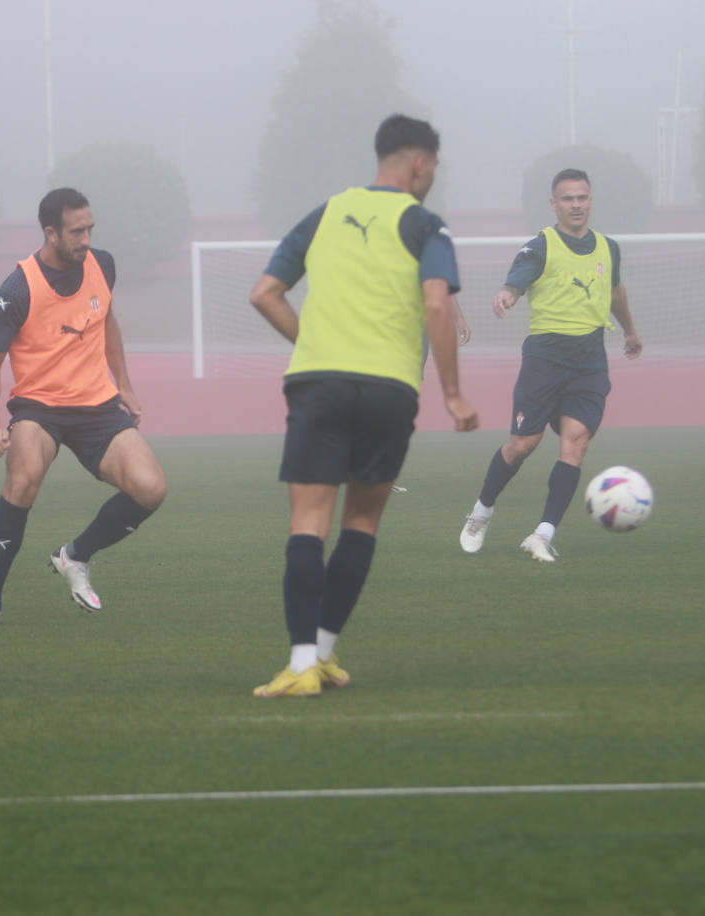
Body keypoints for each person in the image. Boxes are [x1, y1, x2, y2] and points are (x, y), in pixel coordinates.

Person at [247, 114, 478, 698]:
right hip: (389, 389)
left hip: (317, 383)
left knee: (308, 523)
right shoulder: (426, 225)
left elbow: (264, 294)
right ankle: (324, 653)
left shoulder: (324, 213)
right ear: (420, 163)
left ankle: (301, 664)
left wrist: (313, 345)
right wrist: (452, 393)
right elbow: (436, 306)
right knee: (362, 520)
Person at [0, 187, 167, 630]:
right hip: (39, 406)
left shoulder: (102, 265)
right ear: (50, 233)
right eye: (77, 231)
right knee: (22, 481)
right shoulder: (17, 288)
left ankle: (75, 556)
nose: (86, 238)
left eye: (90, 228)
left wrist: (125, 387)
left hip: (97, 405)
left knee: (151, 488)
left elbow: (107, 322)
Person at [458, 168, 642, 562]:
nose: (576, 205)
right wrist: (507, 294)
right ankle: (482, 511)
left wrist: (630, 331)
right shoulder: (539, 246)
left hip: (590, 359)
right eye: (568, 199)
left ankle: (542, 534)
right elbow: (517, 279)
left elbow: (615, 290)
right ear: (554, 204)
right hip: (545, 359)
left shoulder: (608, 248)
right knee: (522, 445)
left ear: (591, 200)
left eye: (582, 197)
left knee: (575, 444)